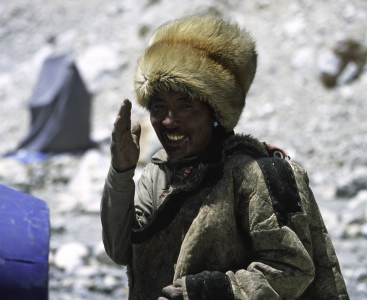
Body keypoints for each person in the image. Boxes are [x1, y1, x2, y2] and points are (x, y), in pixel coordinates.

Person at [101, 14, 349, 300]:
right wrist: (120, 171)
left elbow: (293, 268)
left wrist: (210, 290)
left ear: (215, 111)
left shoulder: (256, 175)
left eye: (185, 106)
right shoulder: (159, 173)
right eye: (159, 107)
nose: (169, 121)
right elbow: (122, 251)